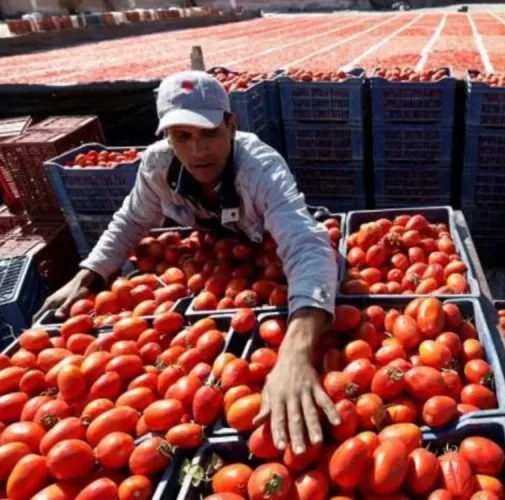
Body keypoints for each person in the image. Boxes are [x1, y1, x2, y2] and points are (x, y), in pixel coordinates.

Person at [34, 70, 340, 455]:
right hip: (222, 258)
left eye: (209, 133)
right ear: (167, 137)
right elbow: (131, 221)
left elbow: (305, 244)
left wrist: (295, 352)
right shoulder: (157, 167)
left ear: (231, 125)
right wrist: (88, 274)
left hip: (270, 247)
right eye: (182, 136)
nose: (197, 151)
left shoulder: (260, 168)